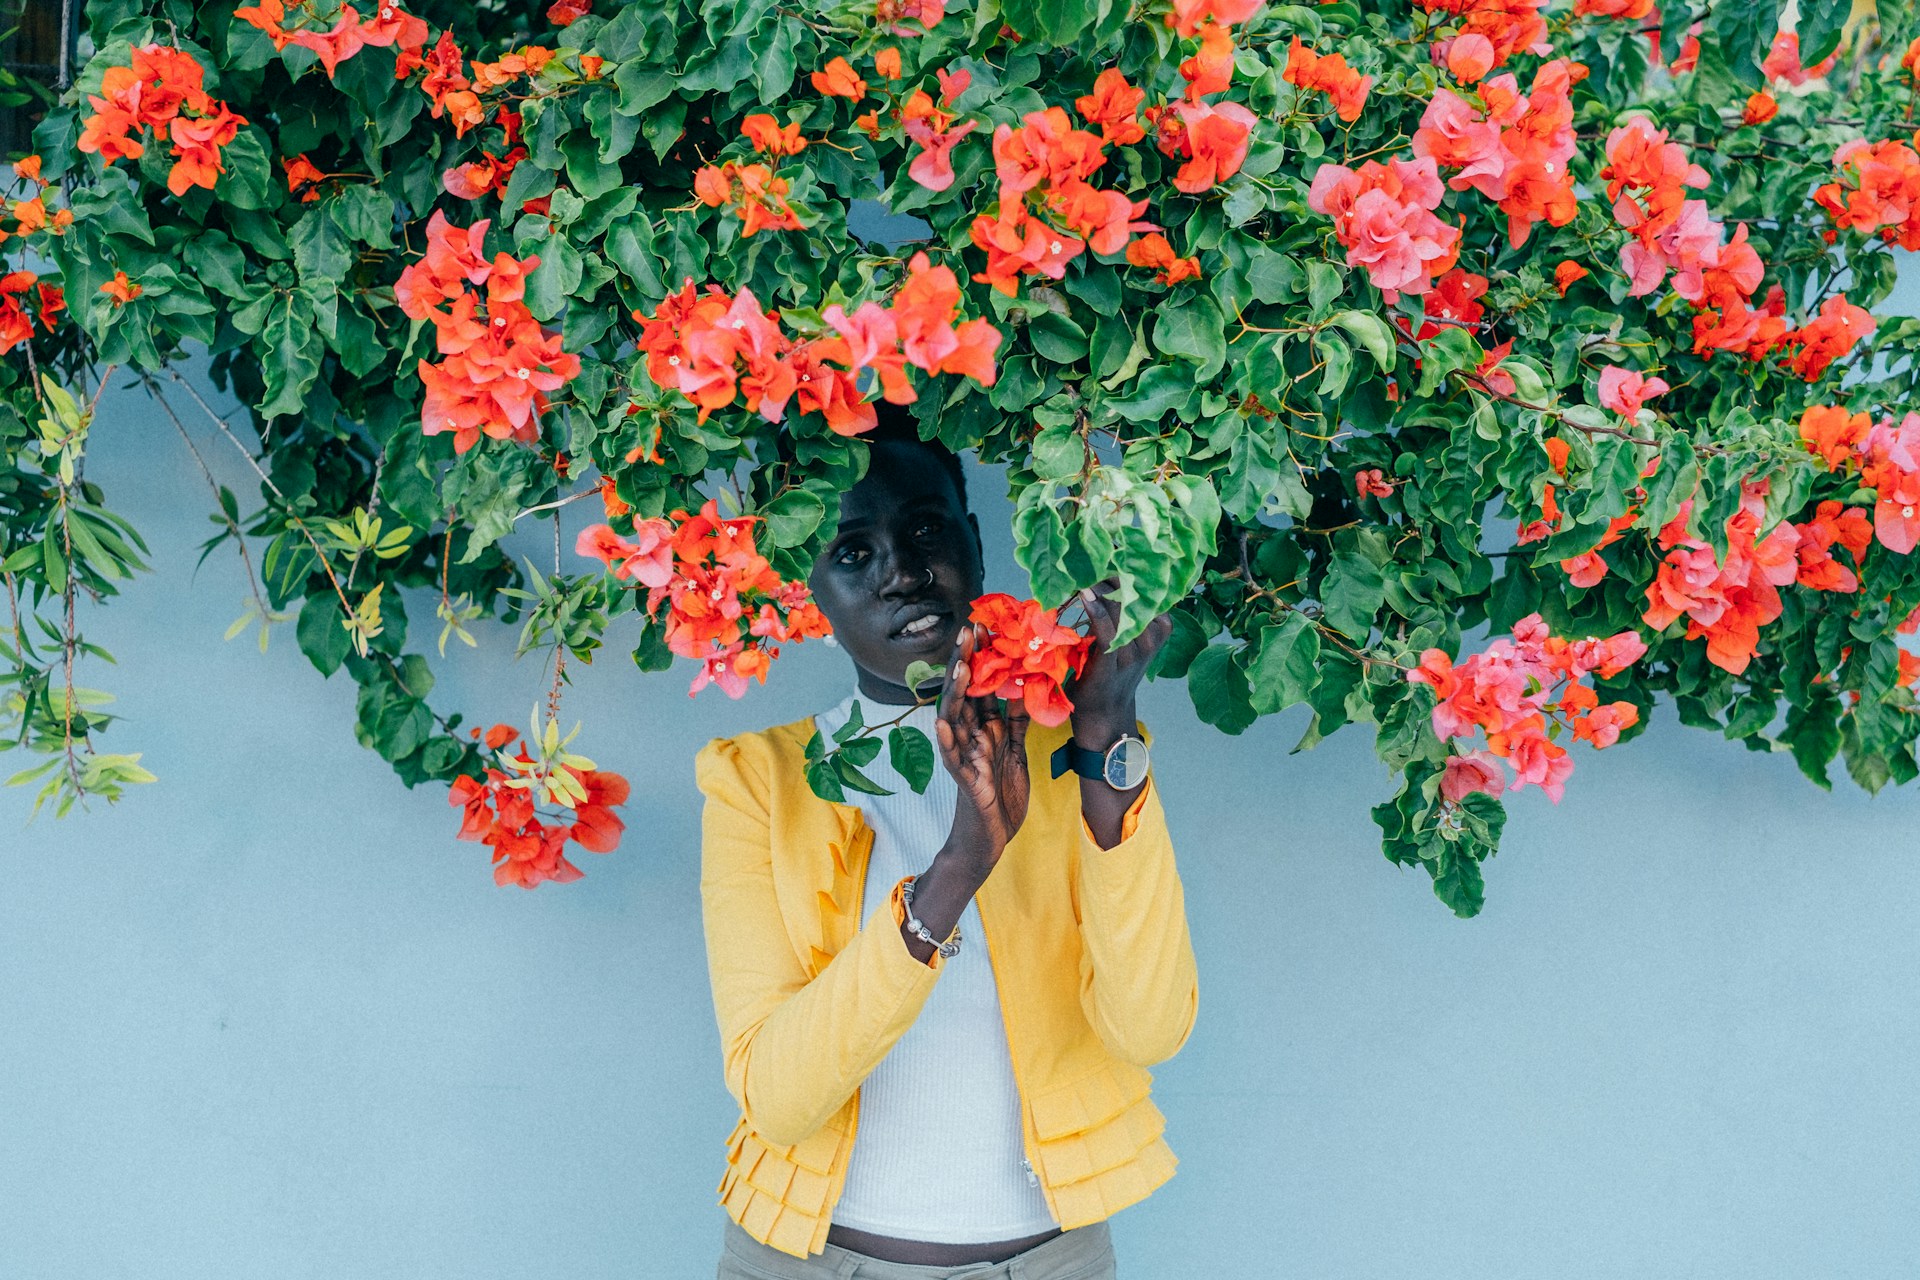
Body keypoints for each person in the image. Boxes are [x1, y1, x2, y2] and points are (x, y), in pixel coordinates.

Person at [696, 405, 1200, 1279]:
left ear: (973, 540)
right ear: (805, 585)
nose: (901, 574)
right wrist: (961, 863)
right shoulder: (758, 782)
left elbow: (1149, 1029)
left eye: (926, 529)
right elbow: (777, 1098)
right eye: (852, 552)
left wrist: (1106, 744)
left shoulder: (1077, 757)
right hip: (807, 1261)